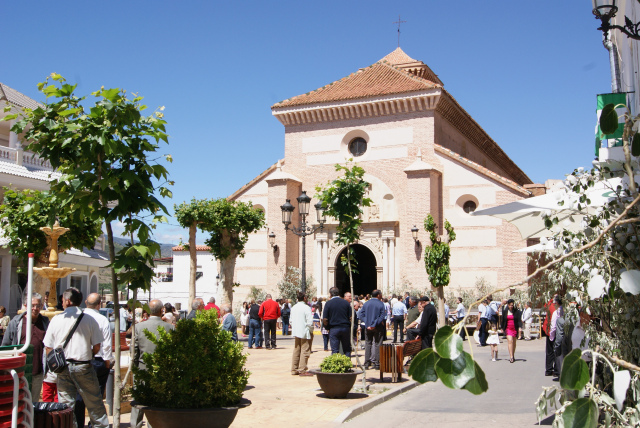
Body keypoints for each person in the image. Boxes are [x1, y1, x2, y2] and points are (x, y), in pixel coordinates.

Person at [43, 288, 109, 428]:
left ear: (67, 301)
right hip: (83, 365)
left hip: (63, 367)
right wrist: (88, 354)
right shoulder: (90, 320)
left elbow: (48, 346)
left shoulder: (56, 319)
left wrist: (55, 362)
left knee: (66, 406)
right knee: (94, 404)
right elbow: (97, 346)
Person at [130, 299, 174, 428]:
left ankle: (135, 425)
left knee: (138, 401)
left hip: (142, 369)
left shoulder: (138, 327)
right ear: (162, 310)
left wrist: (135, 369)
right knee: (157, 402)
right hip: (161, 370)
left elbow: (135, 352)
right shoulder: (170, 328)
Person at [75, 293, 114, 427]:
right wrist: (107, 362)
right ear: (100, 304)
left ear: (86, 302)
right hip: (98, 360)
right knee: (96, 398)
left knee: (79, 396)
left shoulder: (78, 317)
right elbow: (107, 344)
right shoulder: (102, 320)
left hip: (80, 359)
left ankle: (78, 424)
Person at [3, 292, 49, 401]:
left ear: (42, 305)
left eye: (38, 305)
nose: (35, 308)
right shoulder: (16, 322)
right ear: (25, 305)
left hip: (37, 371)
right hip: (20, 371)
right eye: (32, 305)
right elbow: (5, 345)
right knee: (18, 401)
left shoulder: (45, 322)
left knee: (33, 403)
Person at [357, 289, 386, 369]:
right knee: (378, 344)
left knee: (368, 344)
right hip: (378, 327)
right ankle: (377, 363)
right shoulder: (381, 304)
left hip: (368, 327)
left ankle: (366, 363)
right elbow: (382, 316)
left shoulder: (366, 303)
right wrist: (375, 324)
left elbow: (361, 314)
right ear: (378, 295)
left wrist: (367, 323)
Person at [322, 287, 352, 356]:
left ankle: (336, 364)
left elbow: (325, 319)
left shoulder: (328, 303)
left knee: (335, 350)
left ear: (330, 294)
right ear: (339, 293)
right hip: (345, 327)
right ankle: (347, 364)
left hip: (334, 328)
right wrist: (349, 326)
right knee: (347, 349)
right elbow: (350, 317)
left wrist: (327, 328)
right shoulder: (346, 303)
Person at [291, 292, 314, 376]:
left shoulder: (294, 307)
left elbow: (291, 320)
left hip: (296, 331)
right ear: (304, 298)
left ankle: (294, 368)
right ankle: (302, 369)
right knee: (305, 350)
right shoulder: (306, 308)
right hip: (305, 332)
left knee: (297, 349)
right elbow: (310, 322)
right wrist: (311, 330)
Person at [500, 298, 521, 363]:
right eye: (510, 305)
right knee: (510, 341)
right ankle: (511, 356)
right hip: (508, 328)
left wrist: (520, 327)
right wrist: (502, 328)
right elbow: (503, 320)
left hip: (514, 328)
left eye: (512, 305)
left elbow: (518, 320)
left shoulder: (516, 311)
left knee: (514, 343)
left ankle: (513, 354)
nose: (511, 306)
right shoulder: (505, 311)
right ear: (508, 305)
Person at [543, 294, 559, 376]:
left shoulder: (550, 305)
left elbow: (545, 306)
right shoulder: (556, 307)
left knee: (549, 351)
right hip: (555, 331)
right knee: (556, 351)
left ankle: (548, 370)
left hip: (548, 331)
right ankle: (556, 370)